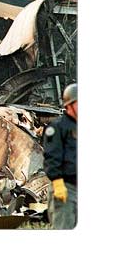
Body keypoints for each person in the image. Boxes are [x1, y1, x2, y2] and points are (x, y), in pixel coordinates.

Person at [43, 83, 77, 229]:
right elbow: (52, 156)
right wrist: (57, 182)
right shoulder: (56, 127)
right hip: (65, 188)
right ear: (70, 104)